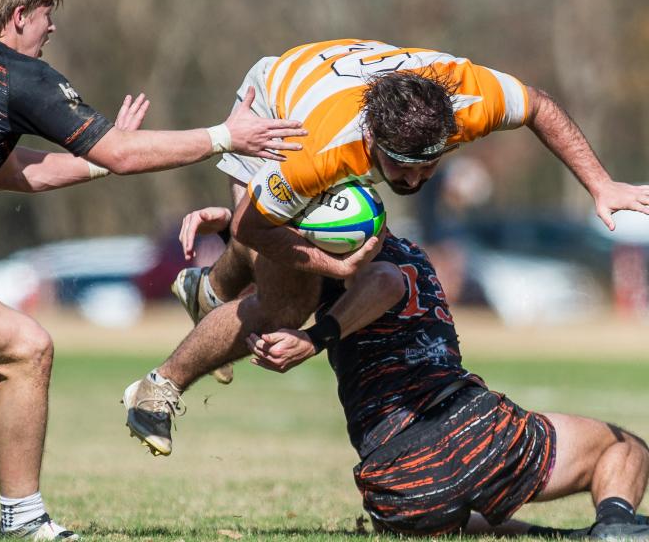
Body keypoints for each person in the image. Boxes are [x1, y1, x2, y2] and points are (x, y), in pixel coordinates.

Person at [0, 0, 306, 540]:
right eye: (45, 14)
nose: (52, 27)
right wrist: (226, 137)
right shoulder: (19, 74)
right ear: (18, 17)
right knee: (26, 349)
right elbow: (118, 150)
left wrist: (100, 164)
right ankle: (24, 519)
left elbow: (10, 171)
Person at [123, 39, 649, 457]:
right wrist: (335, 264)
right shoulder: (315, 152)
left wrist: (600, 183)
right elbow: (254, 227)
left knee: (278, 270)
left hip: (330, 82)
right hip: (275, 104)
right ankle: (154, 389)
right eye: (401, 165)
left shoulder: (469, 100)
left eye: (431, 164)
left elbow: (538, 104)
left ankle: (208, 293)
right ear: (372, 143)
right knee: (288, 303)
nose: (417, 178)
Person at [245, 230, 649, 539]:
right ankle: (614, 524)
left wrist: (233, 233)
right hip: (472, 430)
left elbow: (263, 261)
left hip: (394, 485)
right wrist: (316, 339)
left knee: (445, 507)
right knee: (623, 447)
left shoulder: (314, 268)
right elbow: (385, 280)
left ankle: (553, 536)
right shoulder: (398, 256)